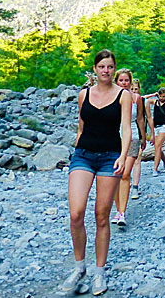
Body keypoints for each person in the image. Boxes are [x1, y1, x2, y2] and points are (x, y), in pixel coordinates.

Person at [61, 49, 133, 296]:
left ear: (114, 69)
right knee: (76, 212)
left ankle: (99, 271)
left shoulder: (124, 96)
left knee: (102, 215)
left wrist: (123, 156)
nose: (106, 71)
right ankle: (80, 267)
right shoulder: (84, 95)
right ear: (95, 69)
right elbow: (81, 127)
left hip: (110, 158)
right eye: (101, 66)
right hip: (83, 155)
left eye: (110, 67)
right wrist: (76, 149)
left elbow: (126, 127)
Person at [111, 70, 146, 227]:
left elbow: (139, 118)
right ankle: (117, 210)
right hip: (114, 138)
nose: (124, 83)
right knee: (116, 174)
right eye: (121, 80)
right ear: (116, 81)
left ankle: (122, 212)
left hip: (132, 137)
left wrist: (144, 136)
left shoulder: (136, 98)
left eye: (126, 80)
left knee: (125, 174)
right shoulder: (111, 97)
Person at [146, 87, 165, 176]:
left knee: (158, 146)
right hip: (156, 127)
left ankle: (155, 169)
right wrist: (153, 94)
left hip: (164, 126)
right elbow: (144, 98)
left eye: (163, 96)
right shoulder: (155, 102)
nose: (162, 98)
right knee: (157, 147)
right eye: (160, 96)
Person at [128, 80, 150, 199]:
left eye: (136, 89)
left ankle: (135, 187)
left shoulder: (140, 100)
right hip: (121, 132)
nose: (134, 91)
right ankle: (126, 181)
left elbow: (142, 118)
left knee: (137, 159)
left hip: (135, 131)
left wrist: (144, 136)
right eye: (132, 89)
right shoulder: (118, 98)